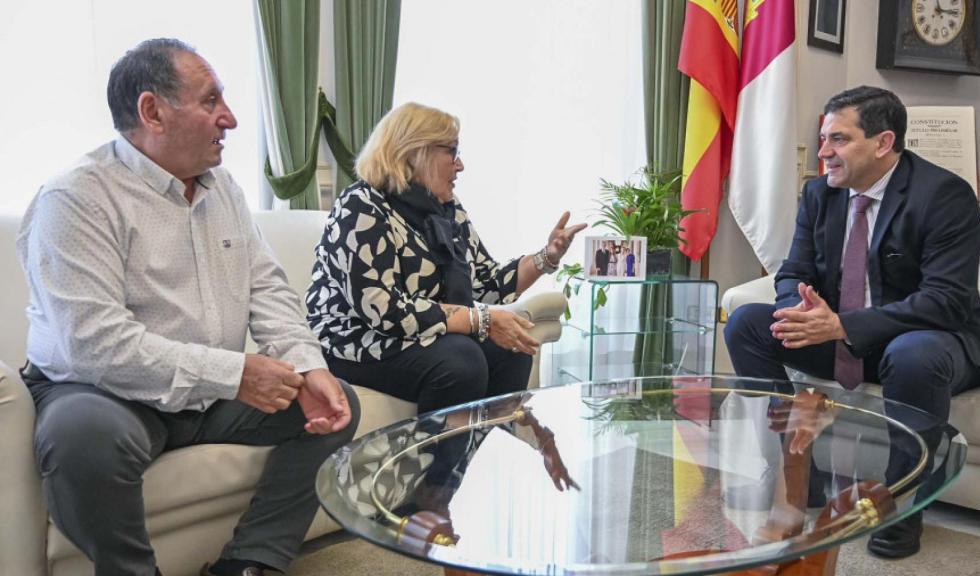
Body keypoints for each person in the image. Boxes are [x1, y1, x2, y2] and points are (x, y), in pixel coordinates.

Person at [16, 39, 359, 576]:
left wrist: (306, 364)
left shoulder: (224, 190)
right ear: (152, 112)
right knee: (84, 439)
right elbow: (94, 345)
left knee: (334, 404)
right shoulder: (76, 198)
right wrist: (234, 374)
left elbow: (267, 290)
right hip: (105, 391)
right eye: (210, 101)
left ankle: (250, 562)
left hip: (211, 392)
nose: (231, 118)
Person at [723, 86, 980, 559]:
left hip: (934, 342)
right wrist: (801, 309)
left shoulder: (943, 195)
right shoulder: (819, 194)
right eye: (823, 138)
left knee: (913, 353)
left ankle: (900, 505)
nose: (823, 152)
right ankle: (800, 478)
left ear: (882, 142)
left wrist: (843, 326)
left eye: (838, 139)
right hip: (850, 340)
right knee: (747, 325)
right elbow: (794, 271)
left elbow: (946, 301)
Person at [306, 102, 586, 415]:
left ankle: (491, 443)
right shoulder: (361, 206)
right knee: (461, 361)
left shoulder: (446, 209)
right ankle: (438, 450)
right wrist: (479, 320)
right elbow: (384, 310)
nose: (460, 165)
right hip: (353, 341)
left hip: (419, 334)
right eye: (452, 151)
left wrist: (547, 256)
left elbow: (487, 283)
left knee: (512, 350)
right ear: (414, 152)